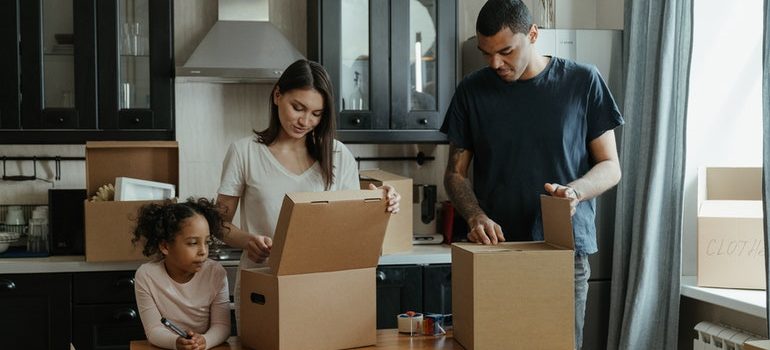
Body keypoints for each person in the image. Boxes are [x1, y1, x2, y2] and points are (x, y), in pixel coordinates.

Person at [441, 0, 623, 348]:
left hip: (563, 254)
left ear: (534, 34)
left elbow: (610, 165)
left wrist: (575, 191)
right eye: (486, 53)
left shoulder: (583, 81)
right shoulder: (471, 91)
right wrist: (475, 215)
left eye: (506, 51)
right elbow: (455, 174)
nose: (495, 63)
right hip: (496, 254)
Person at [215, 59, 401, 330]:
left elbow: (351, 228)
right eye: (298, 108)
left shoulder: (337, 155)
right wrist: (247, 240)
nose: (305, 121)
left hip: (321, 288)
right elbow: (217, 223)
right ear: (278, 96)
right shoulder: (244, 152)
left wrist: (378, 201)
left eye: (316, 114)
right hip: (263, 285)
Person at [132, 198, 231, 350]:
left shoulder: (216, 273)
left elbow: (222, 326)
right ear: (165, 246)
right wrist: (176, 342)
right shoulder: (146, 276)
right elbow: (153, 330)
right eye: (193, 243)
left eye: (207, 242)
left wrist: (204, 340)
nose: (203, 251)